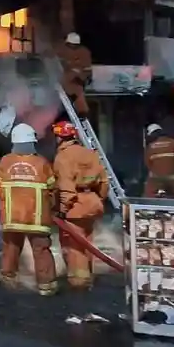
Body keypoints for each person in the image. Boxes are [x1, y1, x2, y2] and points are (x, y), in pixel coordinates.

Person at [0, 123, 59, 296]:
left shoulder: (5, 161)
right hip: (37, 218)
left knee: (10, 249)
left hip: (11, 217)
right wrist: (53, 207)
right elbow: (53, 188)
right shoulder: (42, 163)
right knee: (41, 251)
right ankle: (46, 287)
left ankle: (8, 282)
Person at [52, 120, 108, 290]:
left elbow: (67, 190)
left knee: (74, 246)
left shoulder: (63, 157)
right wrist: (97, 199)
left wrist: (62, 210)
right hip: (91, 202)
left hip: (74, 207)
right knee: (87, 242)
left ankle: (79, 283)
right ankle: (88, 276)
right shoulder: (90, 153)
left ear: (60, 137)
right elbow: (104, 182)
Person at [55, 32, 92, 116]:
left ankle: (82, 111)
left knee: (77, 91)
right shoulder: (63, 50)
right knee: (76, 92)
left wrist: (85, 76)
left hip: (77, 78)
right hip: (70, 78)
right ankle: (81, 110)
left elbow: (87, 69)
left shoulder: (84, 52)